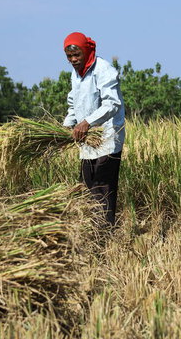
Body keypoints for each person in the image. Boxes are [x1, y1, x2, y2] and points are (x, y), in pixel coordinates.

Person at [62, 32, 125, 226]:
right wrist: (65, 128)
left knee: (102, 187)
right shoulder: (77, 74)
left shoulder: (103, 69)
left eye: (77, 55)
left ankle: (104, 233)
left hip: (106, 137)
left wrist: (87, 122)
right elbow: (74, 104)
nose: (73, 60)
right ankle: (91, 229)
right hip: (87, 140)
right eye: (69, 56)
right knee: (87, 187)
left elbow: (112, 104)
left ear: (87, 51)